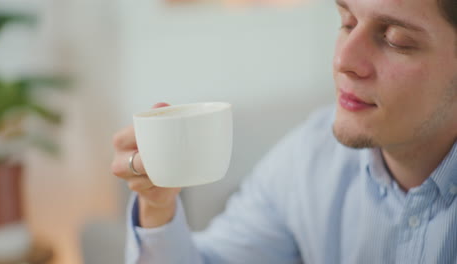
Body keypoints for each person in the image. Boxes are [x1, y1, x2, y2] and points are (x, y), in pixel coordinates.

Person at [111, 0, 457, 262]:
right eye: (347, 22)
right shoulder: (308, 159)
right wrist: (157, 206)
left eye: (396, 40)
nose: (343, 61)